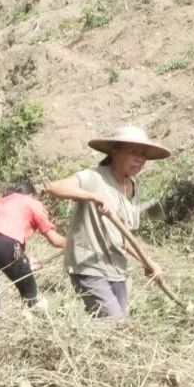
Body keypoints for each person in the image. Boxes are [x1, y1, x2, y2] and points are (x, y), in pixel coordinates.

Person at [45, 125, 171, 320]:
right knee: (114, 322)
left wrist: (147, 262)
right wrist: (91, 197)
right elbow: (54, 187)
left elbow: (124, 237)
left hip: (117, 269)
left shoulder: (134, 189)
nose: (140, 159)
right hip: (89, 266)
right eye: (133, 152)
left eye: (143, 155)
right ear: (115, 151)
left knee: (122, 326)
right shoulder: (94, 177)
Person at [0, 181, 67, 320]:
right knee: (29, 288)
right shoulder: (31, 202)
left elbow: (0, 236)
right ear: (32, 195)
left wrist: (25, 261)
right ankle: (38, 321)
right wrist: (75, 244)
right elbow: (55, 240)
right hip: (5, 244)